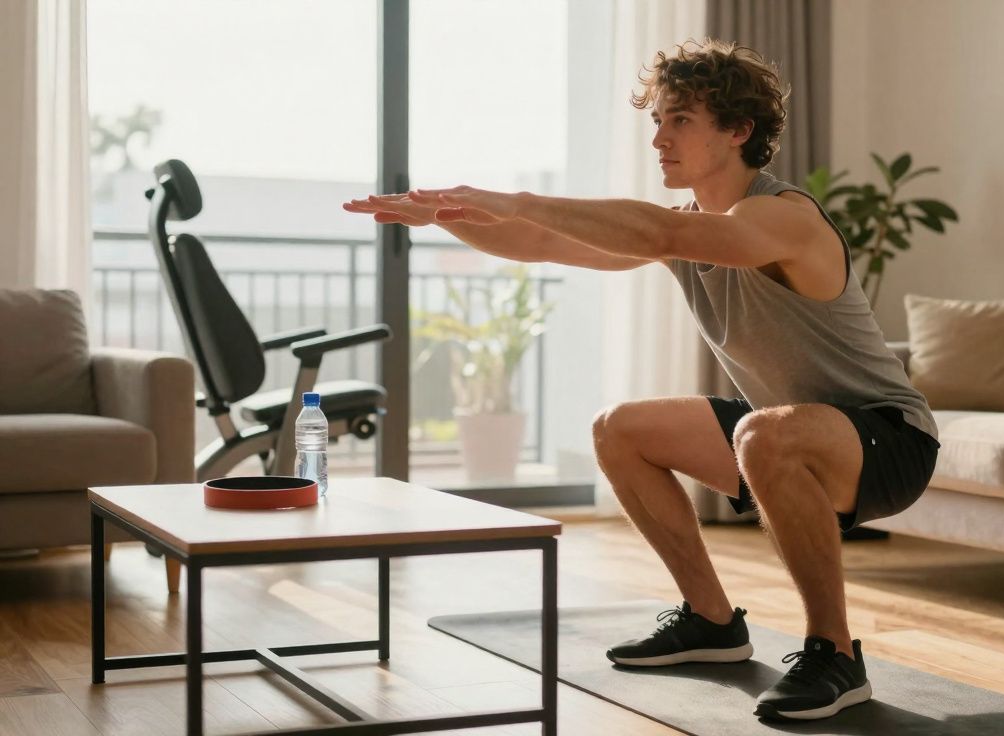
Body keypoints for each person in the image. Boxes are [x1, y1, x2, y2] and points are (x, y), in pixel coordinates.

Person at [344, 38, 939, 722]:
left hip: (890, 444)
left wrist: (517, 199)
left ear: (739, 130)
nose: (658, 138)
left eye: (680, 119)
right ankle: (712, 621)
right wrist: (448, 218)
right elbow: (545, 244)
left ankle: (836, 655)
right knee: (619, 430)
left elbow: (651, 234)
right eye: (656, 120)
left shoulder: (783, 219)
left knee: (761, 432)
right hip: (778, 436)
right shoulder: (687, 227)